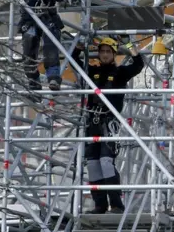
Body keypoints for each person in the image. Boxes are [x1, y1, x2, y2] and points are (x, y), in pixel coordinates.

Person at [72, 36, 144, 214]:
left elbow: (138, 65)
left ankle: (116, 204)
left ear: (113, 54)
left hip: (109, 121)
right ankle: (100, 204)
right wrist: (79, 46)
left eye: (108, 52)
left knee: (106, 161)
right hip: (92, 122)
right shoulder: (92, 71)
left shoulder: (120, 73)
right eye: (102, 51)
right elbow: (74, 62)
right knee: (92, 164)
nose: (104, 55)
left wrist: (128, 44)